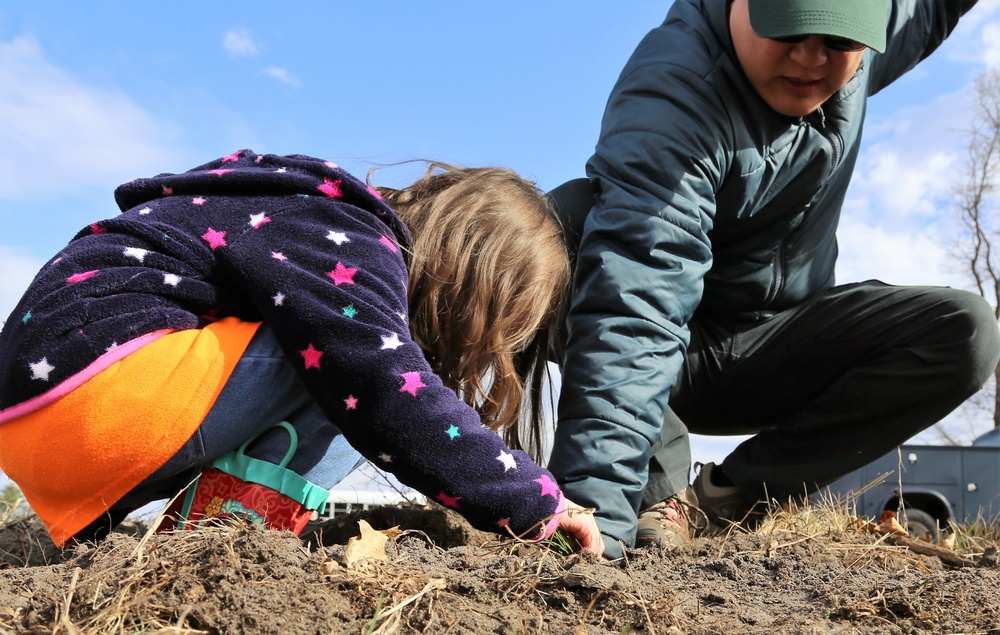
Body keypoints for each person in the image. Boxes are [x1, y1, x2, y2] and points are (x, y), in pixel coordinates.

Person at [546, 0, 1000, 559]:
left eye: (837, 40)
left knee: (965, 329)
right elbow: (635, 305)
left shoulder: (862, 44)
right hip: (672, 356)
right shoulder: (675, 95)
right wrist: (595, 520)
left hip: (780, 350)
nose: (811, 59)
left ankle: (721, 500)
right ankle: (650, 496)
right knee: (553, 233)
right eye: (789, 30)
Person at [0, 149, 604, 555]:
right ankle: (230, 542)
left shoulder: (296, 215)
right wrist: (536, 503)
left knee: (346, 352)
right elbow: (384, 383)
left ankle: (208, 536)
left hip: (40, 422)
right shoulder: (353, 241)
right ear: (463, 273)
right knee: (356, 367)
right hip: (96, 396)